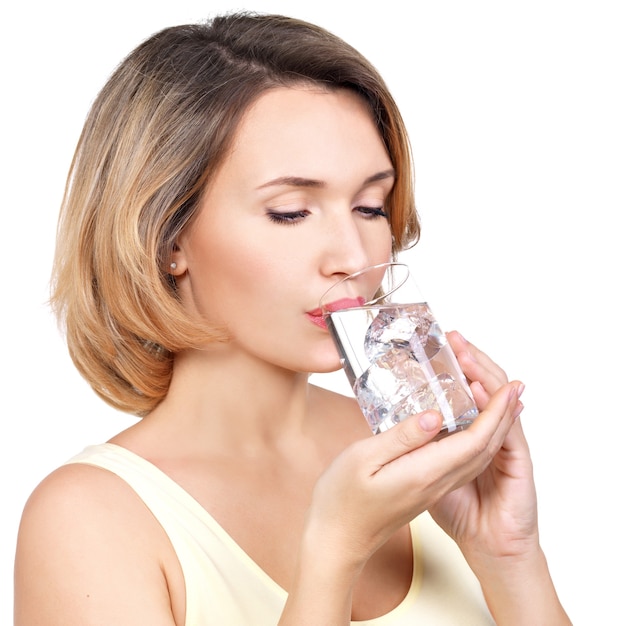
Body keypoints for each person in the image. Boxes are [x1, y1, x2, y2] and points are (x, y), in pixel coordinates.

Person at [13, 11, 571, 625]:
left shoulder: (428, 453)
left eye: (369, 206)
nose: (355, 258)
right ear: (167, 237)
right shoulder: (87, 520)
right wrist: (335, 552)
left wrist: (509, 555)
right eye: (290, 212)